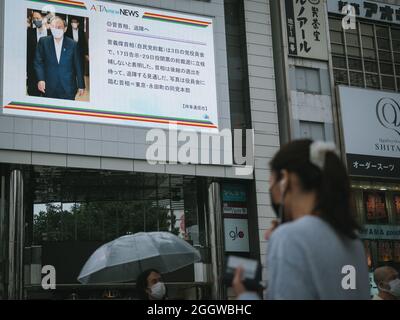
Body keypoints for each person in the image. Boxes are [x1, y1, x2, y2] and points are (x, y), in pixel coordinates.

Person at [233, 139, 370, 300]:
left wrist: (245, 296)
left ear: (284, 179)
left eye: (271, 183)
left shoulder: (289, 237)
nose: (272, 191)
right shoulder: (353, 241)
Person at [34, 16, 85, 100]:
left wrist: (81, 85)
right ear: (50, 27)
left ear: (65, 29)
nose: (56, 29)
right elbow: (38, 62)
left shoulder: (73, 44)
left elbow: (78, 66)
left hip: (68, 87)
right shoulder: (43, 42)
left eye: (59, 27)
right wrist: (40, 79)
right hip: (48, 86)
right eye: (53, 27)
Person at [27, 11, 50, 96]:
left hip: (48, 75)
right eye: (34, 19)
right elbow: (28, 54)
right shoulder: (29, 32)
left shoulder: (51, 33)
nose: (35, 20)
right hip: (33, 75)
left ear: (44, 19)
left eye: (38, 18)